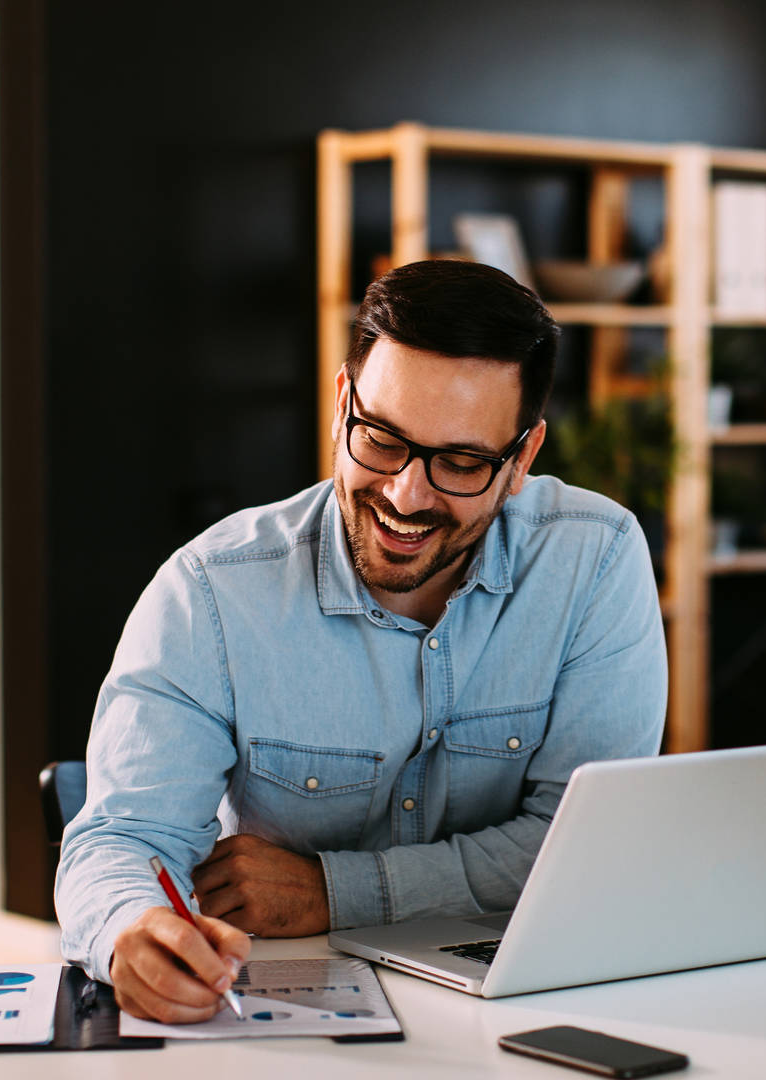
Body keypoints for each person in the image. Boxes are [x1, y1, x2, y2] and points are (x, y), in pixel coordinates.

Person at [55, 259, 667, 1023]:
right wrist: (130, 930)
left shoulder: (595, 559)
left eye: (463, 462)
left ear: (522, 460)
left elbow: (579, 845)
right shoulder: (211, 592)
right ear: (343, 403)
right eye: (381, 438)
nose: (407, 494)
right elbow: (119, 840)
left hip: (524, 1001)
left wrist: (332, 892)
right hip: (288, 1014)